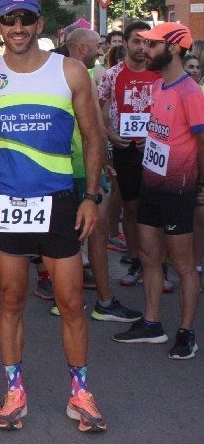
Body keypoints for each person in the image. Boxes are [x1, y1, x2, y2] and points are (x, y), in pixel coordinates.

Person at [0, 0, 106, 433]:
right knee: (11, 299)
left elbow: (93, 136)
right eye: (9, 20)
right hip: (8, 201)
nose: (18, 27)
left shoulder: (70, 71)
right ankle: (15, 391)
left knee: (71, 301)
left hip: (59, 201)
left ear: (39, 23)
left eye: (26, 18)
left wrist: (91, 196)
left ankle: (80, 393)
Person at [111, 22, 202, 359]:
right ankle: (151, 324)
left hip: (178, 189)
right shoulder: (160, 85)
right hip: (151, 183)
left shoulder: (190, 92)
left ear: (173, 49)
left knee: (183, 264)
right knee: (150, 256)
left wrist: (201, 185)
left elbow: (202, 142)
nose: (144, 50)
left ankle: (187, 333)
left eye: (152, 45)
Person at [63, 28, 141, 323]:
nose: (102, 49)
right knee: (94, 235)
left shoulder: (58, 74)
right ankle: (104, 301)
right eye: (97, 45)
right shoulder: (81, 76)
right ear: (82, 48)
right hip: (81, 168)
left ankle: (65, 300)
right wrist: (105, 158)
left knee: (67, 236)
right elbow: (94, 129)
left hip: (68, 167)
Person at [98, 22, 171, 292]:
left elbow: (172, 111)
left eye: (147, 42)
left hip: (156, 149)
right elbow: (97, 108)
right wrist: (109, 134)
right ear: (125, 43)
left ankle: (160, 266)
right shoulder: (112, 74)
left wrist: (156, 137)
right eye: (137, 41)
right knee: (130, 207)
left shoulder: (161, 74)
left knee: (158, 209)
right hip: (125, 148)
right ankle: (136, 261)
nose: (142, 47)